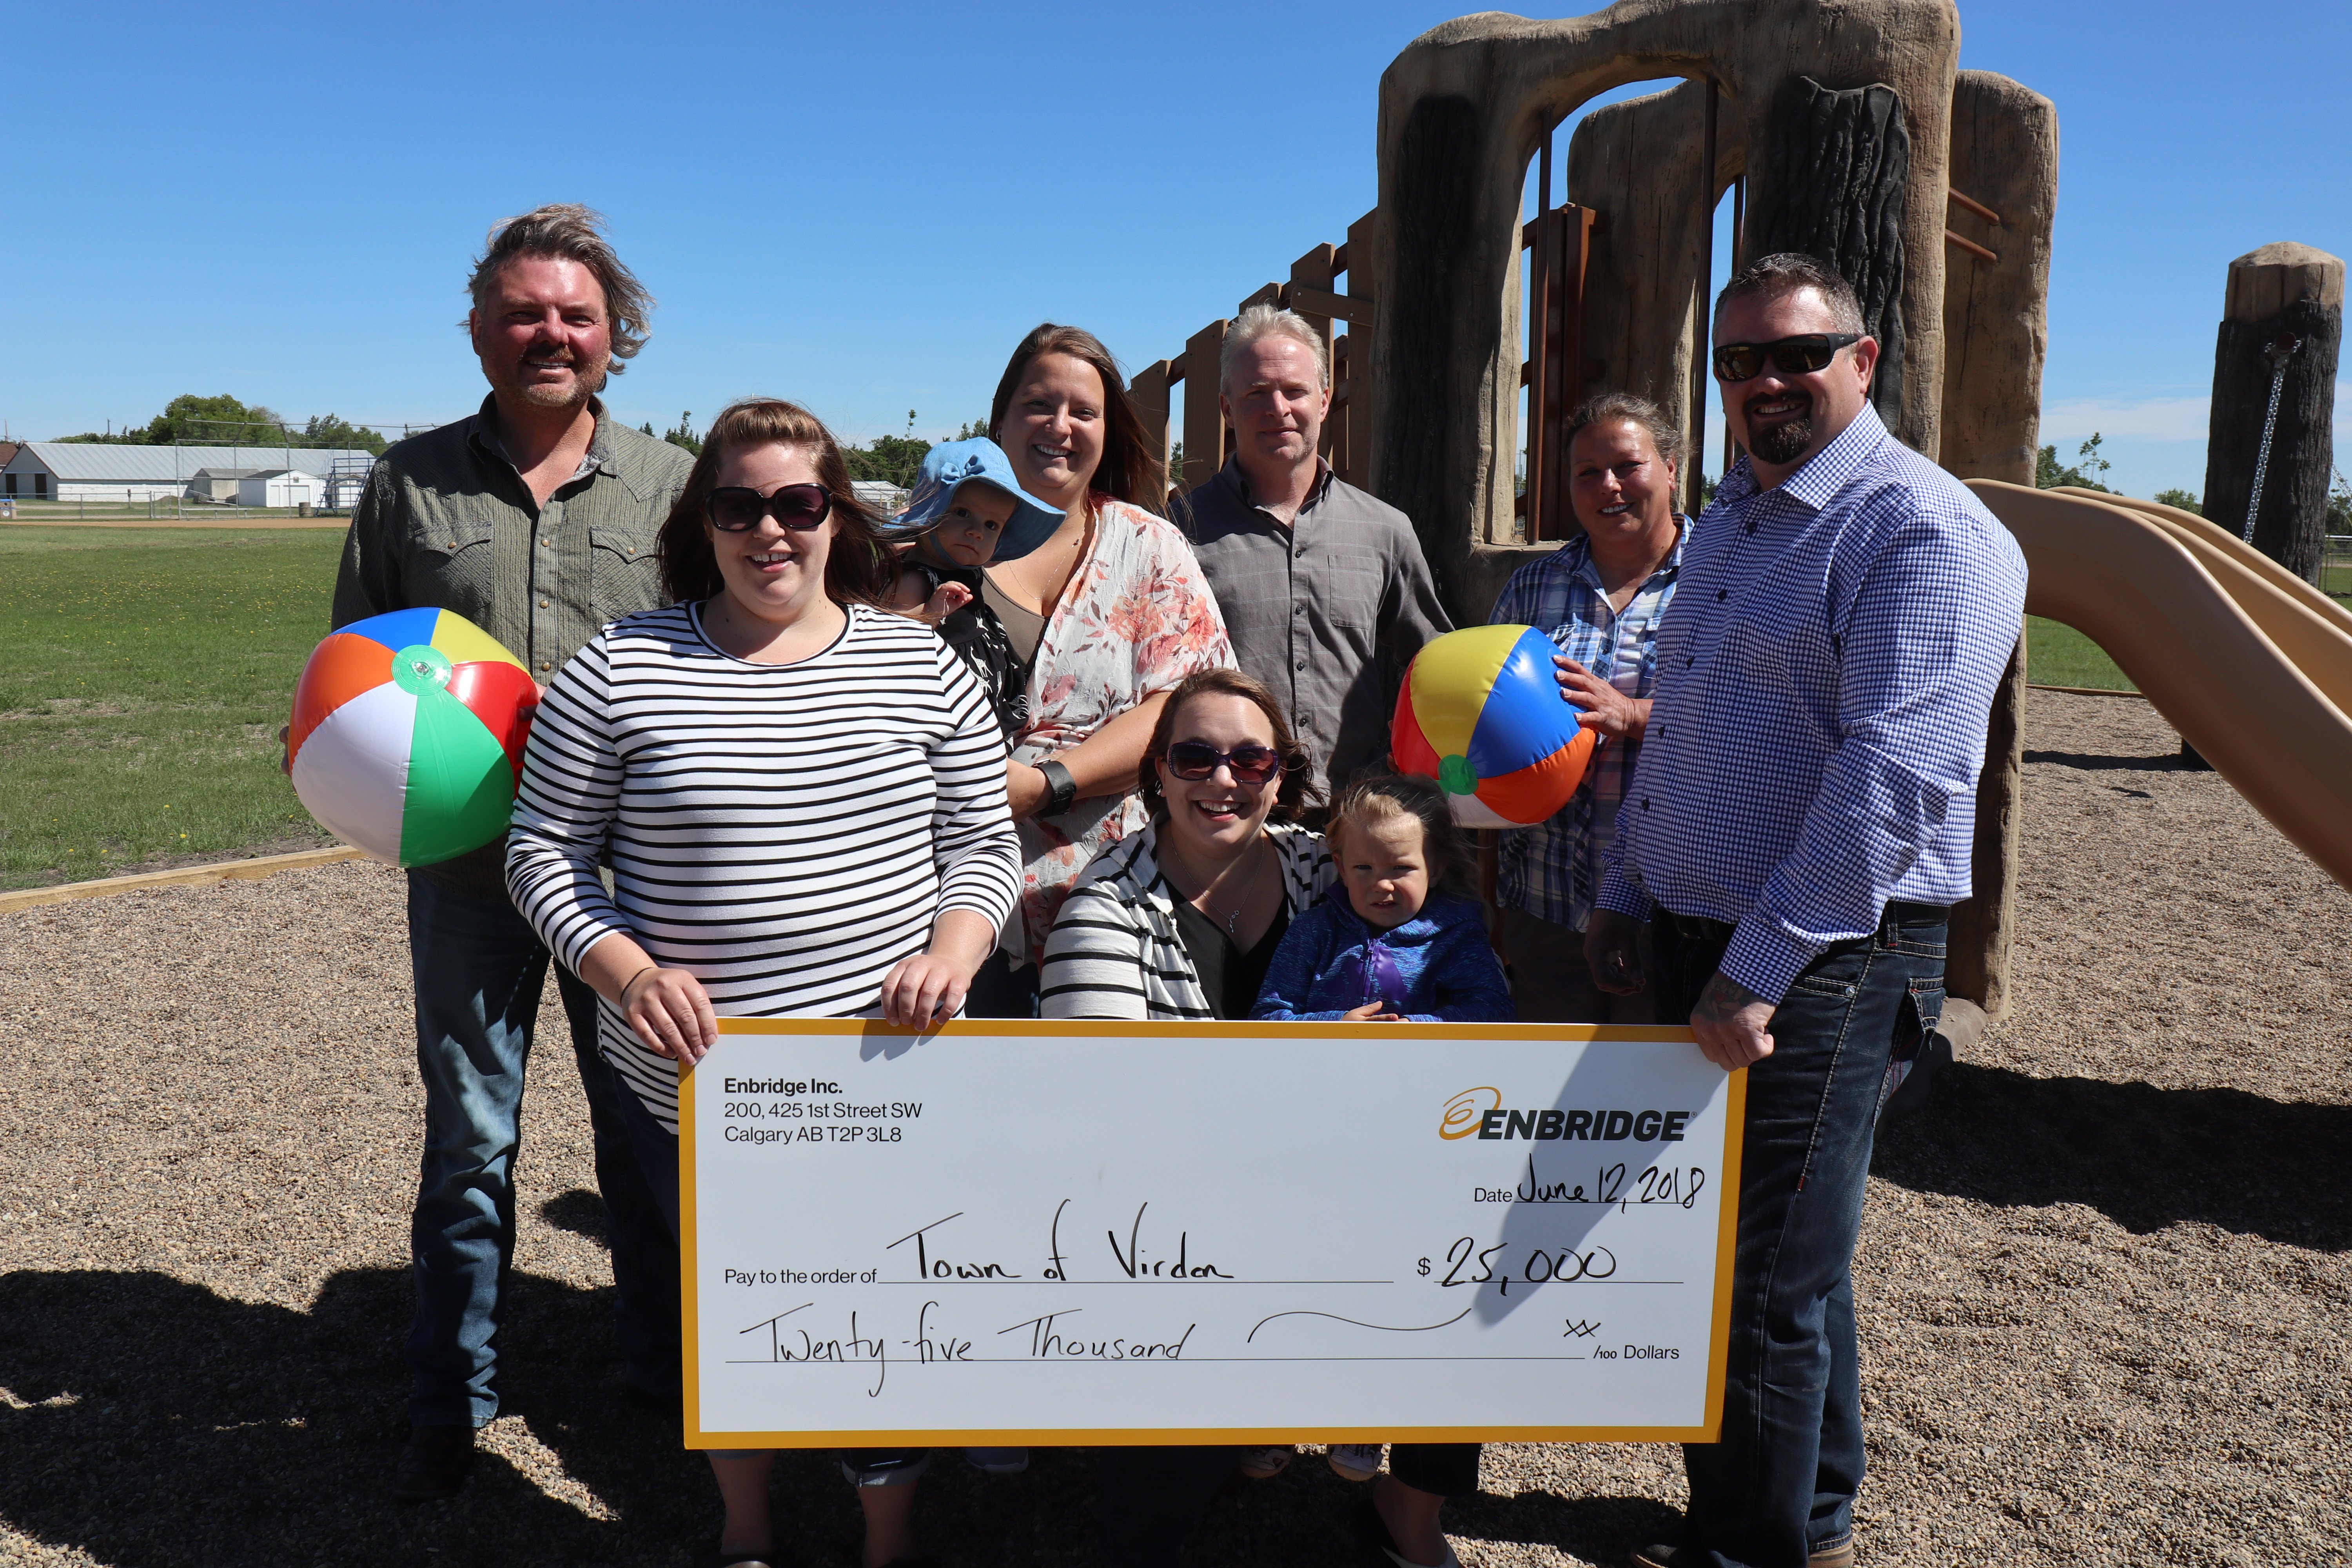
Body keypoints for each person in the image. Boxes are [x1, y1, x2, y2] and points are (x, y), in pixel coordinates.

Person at [504, 398, 1023, 1568]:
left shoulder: (918, 663)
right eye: (740, 506)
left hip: (886, 1077)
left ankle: (883, 1532)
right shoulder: (622, 662)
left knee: (885, 1305)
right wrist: (621, 964)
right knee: (733, 1309)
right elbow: (540, 848)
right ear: (707, 519)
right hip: (696, 1086)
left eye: (799, 503)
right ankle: (747, 1524)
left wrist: (953, 950)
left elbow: (984, 847)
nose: (770, 530)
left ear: (839, 516)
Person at [1584, 254, 2028, 1568]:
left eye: (1795, 353)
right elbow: (1688, 731)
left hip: (1825, 957)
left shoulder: (1921, 532)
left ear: (1865, 358)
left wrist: (1754, 970)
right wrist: (1628, 882)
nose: (1764, 382)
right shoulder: (1732, 521)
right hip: (1706, 933)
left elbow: (1891, 787)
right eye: (1738, 362)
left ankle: (1749, 1549)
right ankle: (1810, 1523)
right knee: (1785, 1266)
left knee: (1749, 1288)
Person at [326, 203, 691, 1501]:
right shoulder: (407, 482)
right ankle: (451, 1396)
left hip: (628, 883)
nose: (551, 333)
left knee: (644, 1132)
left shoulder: (670, 488)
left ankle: (662, 1374)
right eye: (525, 312)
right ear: (481, 330)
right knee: (470, 1138)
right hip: (471, 876)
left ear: (615, 336)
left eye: (576, 315)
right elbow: (352, 667)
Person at [971, 324, 1233, 1015]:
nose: (1060, 426)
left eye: (1083, 412)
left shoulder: (1150, 549)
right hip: (947, 918)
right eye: (1037, 405)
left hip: (1110, 910)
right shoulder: (939, 546)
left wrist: (1046, 785)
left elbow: (1191, 707)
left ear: (1108, 432)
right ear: (1000, 419)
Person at [1178, 303, 1452, 806]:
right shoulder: (1178, 534)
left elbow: (1436, 664)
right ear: (1226, 409)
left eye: (1295, 391)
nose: (1277, 407)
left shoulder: (1385, 530)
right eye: (1256, 393)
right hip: (1227, 818)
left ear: (1325, 401)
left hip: (1357, 828)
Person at [1487, 392, 1687, 1023]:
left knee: (1660, 1107)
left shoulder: (1721, 578)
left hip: (1674, 913)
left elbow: (1755, 720)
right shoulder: (1534, 585)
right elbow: (1489, 724)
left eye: (1628, 465)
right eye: (1587, 472)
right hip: (1544, 905)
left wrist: (1631, 717)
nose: (1609, 486)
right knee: (1547, 1108)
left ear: (1673, 468)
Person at [1252, 773, 1511, 1025]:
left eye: (1400, 868)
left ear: (1435, 870)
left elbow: (1494, 1010)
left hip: (1421, 1066)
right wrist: (1336, 1024)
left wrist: (1416, 1027)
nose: (1382, 885)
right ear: (1342, 868)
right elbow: (1267, 1017)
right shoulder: (1314, 931)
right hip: (1325, 1065)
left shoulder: (1454, 937)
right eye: (1364, 868)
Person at [875, 436, 1064, 737]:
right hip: (945, 707)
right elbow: (894, 645)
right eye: (962, 513)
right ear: (931, 515)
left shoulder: (963, 567)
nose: (977, 532)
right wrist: (932, 612)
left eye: (992, 526)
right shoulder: (916, 578)